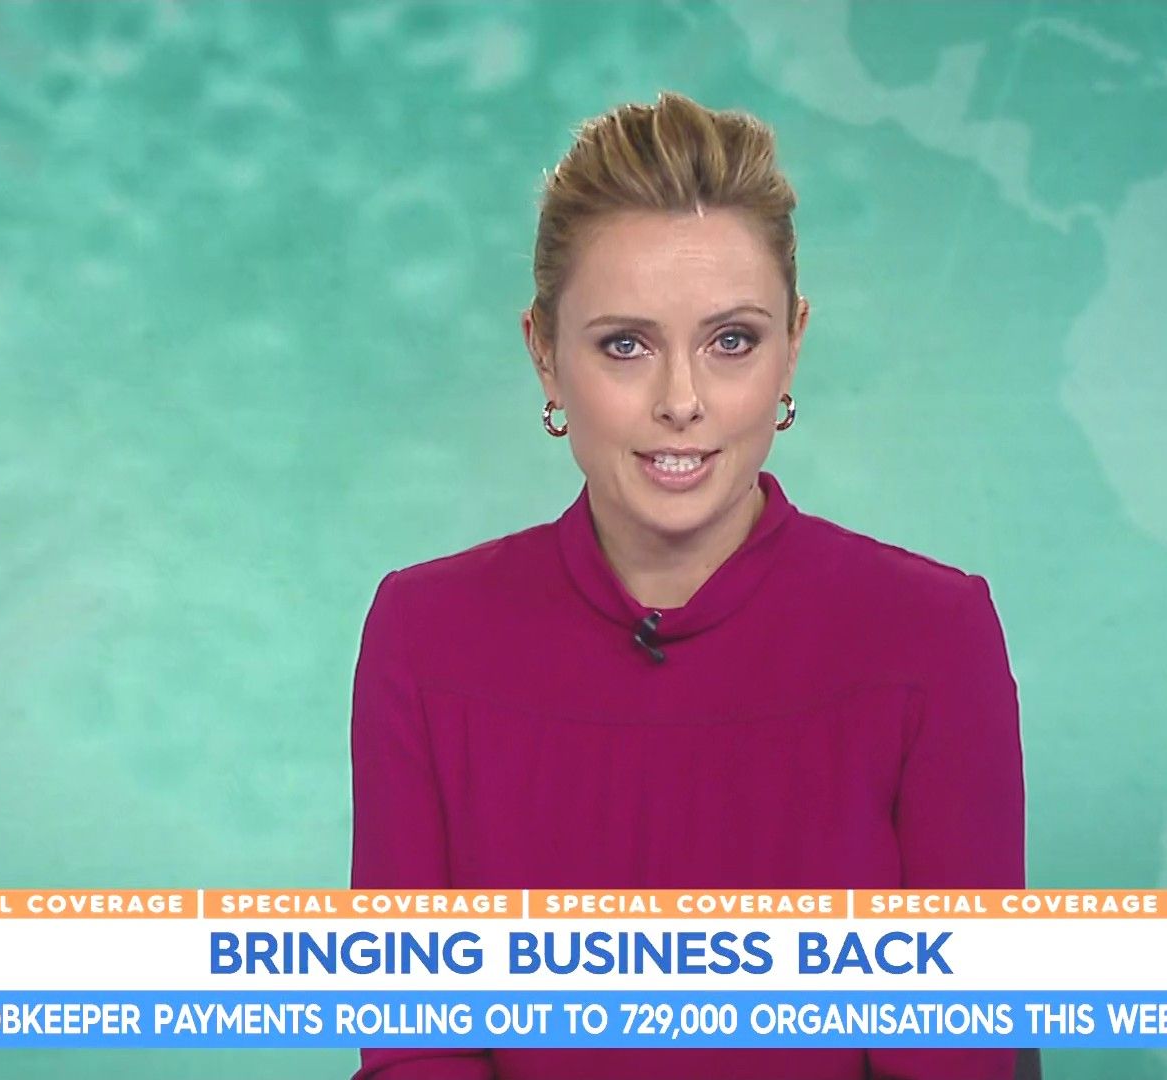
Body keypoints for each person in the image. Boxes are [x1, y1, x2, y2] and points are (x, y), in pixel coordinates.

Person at [350, 91, 1033, 1080]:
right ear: (544, 355)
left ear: (793, 344)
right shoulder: (424, 635)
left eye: (732, 341)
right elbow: (416, 1049)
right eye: (625, 345)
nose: (681, 401)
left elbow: (956, 1061)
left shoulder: (933, 636)